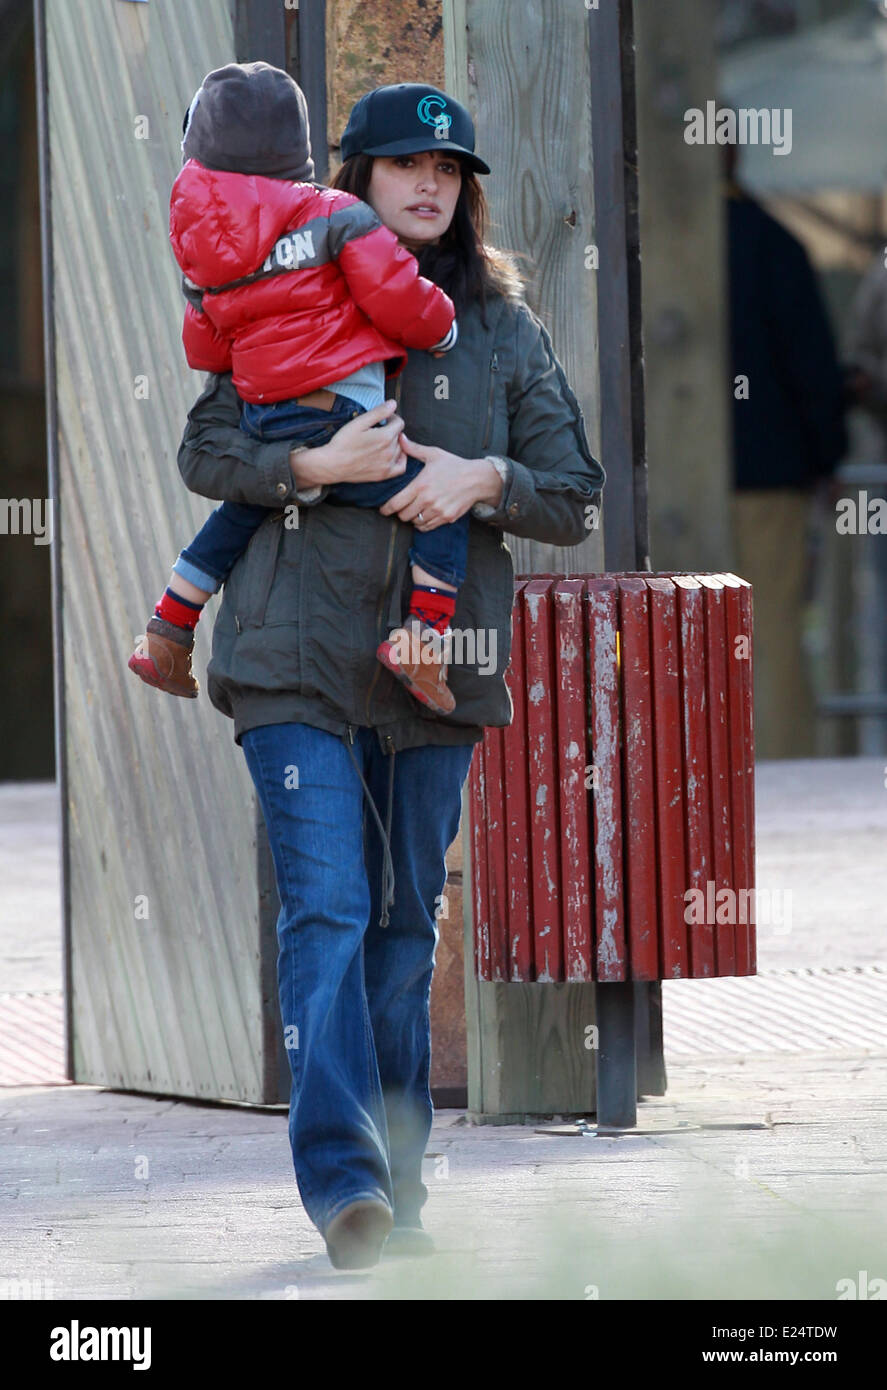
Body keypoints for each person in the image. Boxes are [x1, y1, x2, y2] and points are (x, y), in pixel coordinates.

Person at [175, 81, 604, 1270]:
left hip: (438, 668)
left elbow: (572, 495)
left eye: (449, 170)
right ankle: (346, 1189)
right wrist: (307, 460)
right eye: (402, 167)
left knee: (403, 924)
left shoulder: (500, 332)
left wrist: (479, 481)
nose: (428, 185)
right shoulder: (282, 292)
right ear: (348, 184)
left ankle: (401, 1189)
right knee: (325, 908)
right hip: (289, 658)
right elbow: (204, 448)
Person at [128, 62, 462, 714]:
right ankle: (421, 642)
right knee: (438, 509)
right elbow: (395, 298)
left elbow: (205, 347)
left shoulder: (205, 254)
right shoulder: (338, 216)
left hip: (264, 420)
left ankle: (167, 632)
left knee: (232, 520)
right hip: (342, 413)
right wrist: (442, 328)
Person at [724, 141, 846, 759]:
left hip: (666, 486)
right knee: (769, 633)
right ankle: (784, 774)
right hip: (771, 478)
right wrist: (828, 459)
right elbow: (814, 369)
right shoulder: (774, 243)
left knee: (673, 639)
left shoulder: (652, 241)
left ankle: (694, 781)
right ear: (736, 152)